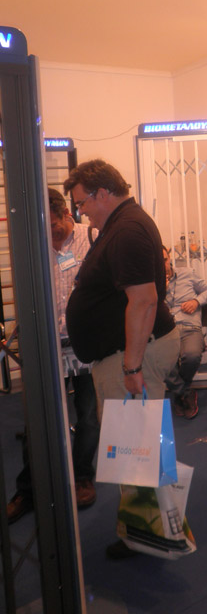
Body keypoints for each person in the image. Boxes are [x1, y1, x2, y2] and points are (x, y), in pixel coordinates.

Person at [63, 159, 180, 559]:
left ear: (102, 193)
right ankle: (147, 529)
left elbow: (144, 301)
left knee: (136, 451)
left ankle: (149, 535)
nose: (81, 212)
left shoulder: (127, 230)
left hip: (131, 356)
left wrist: (131, 366)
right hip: (125, 354)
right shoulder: (121, 224)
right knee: (137, 447)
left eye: (82, 203)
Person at [7, 188, 100, 524]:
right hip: (47, 346)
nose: (51, 234)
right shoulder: (34, 244)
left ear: (65, 214)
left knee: (88, 416)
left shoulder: (92, 239)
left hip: (86, 346)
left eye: (55, 226)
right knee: (38, 418)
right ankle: (28, 490)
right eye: (44, 228)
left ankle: (82, 477)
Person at [163, 246, 207, 419]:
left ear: (169, 258)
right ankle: (185, 394)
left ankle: (179, 393)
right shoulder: (152, 283)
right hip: (166, 331)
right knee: (162, 361)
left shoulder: (187, 273)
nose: (163, 265)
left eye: (164, 260)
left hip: (190, 327)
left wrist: (196, 301)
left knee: (192, 356)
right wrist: (161, 290)